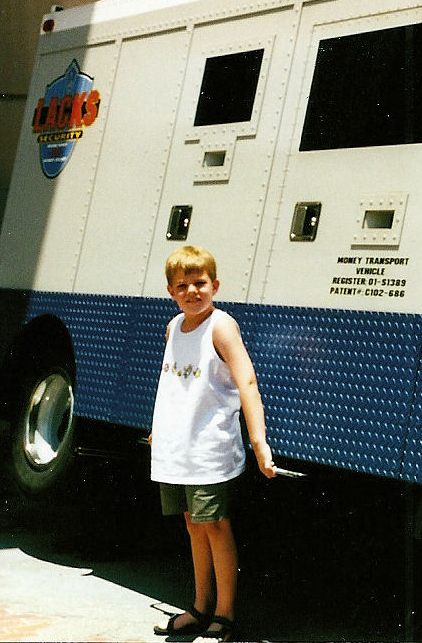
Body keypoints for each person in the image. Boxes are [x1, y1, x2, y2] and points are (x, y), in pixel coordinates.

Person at [150, 245, 276, 642]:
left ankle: (225, 613)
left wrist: (260, 443)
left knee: (216, 526)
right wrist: (158, 429)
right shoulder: (174, 327)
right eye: (182, 285)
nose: (192, 291)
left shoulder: (221, 326)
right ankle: (199, 607)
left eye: (200, 283)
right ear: (171, 291)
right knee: (193, 525)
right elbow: (171, 385)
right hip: (177, 449)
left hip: (209, 449)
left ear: (215, 285)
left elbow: (247, 382)